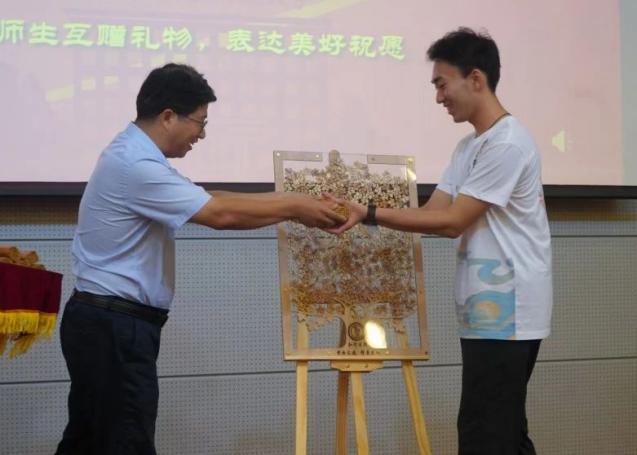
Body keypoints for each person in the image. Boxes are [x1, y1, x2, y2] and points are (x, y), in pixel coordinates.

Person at [55, 63, 344, 455]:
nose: (202, 135)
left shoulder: (138, 155)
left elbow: (214, 199)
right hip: (114, 326)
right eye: (199, 122)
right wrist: (293, 207)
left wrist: (295, 202)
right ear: (168, 116)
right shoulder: (136, 165)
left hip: (107, 322)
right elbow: (219, 215)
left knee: (90, 441)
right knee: (124, 442)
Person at [327, 28, 552, 454]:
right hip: (487, 308)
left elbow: (452, 222)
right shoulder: (469, 146)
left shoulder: (507, 143)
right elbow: (434, 212)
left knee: (486, 434)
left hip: (507, 310)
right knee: (501, 431)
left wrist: (369, 213)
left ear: (476, 78)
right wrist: (361, 206)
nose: (438, 97)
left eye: (441, 84)